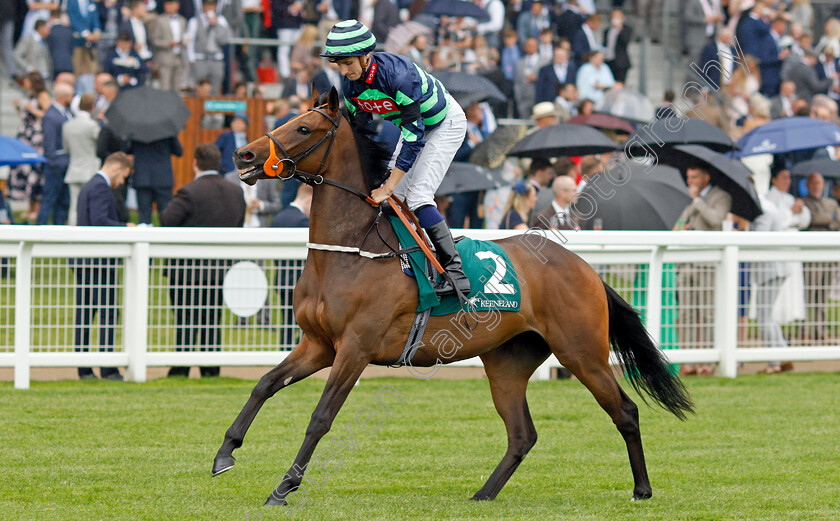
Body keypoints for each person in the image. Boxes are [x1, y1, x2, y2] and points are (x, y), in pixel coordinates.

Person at [321, 19, 471, 297]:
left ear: (366, 56)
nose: (343, 71)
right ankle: (410, 259)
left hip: (444, 124)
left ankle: (454, 271)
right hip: (413, 127)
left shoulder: (400, 75)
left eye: (347, 63)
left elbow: (415, 138)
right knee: (393, 202)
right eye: (338, 64)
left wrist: (389, 184)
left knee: (417, 197)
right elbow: (360, 131)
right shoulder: (351, 86)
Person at [160, 144, 246, 378]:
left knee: (185, 319)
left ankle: (181, 367)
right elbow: (239, 224)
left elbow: (167, 220)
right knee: (212, 318)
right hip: (220, 270)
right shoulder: (235, 192)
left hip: (187, 272)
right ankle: (211, 368)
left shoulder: (189, 191)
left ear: (195, 163)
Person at [74, 152, 135, 380]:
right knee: (107, 313)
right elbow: (100, 222)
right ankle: (108, 368)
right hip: (98, 263)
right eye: (123, 177)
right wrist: (126, 227)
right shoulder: (100, 187)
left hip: (87, 262)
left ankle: (85, 368)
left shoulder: (91, 185)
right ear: (117, 168)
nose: (121, 183)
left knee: (86, 314)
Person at [675, 165, 732, 375]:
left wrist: (698, 201)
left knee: (708, 312)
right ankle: (689, 361)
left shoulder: (721, 196)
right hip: (686, 263)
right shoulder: (689, 198)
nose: (691, 181)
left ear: (706, 177)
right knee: (687, 312)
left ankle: (707, 360)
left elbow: (716, 219)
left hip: (707, 263)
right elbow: (678, 223)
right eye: (689, 177)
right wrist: (682, 227)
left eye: (695, 177)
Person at [271, 183, 312, 346]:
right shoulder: (302, 221)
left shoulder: (279, 217)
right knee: (302, 324)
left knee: (286, 323)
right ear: (310, 199)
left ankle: (284, 351)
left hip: (280, 278)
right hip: (298, 281)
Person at [801, 172, 840, 342]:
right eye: (814, 183)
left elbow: (836, 220)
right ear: (808, 185)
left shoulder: (831, 202)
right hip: (811, 254)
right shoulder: (803, 202)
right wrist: (829, 219)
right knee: (810, 294)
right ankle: (807, 331)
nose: (817, 186)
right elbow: (811, 219)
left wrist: (826, 220)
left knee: (823, 294)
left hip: (829, 254)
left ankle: (821, 330)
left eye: (819, 183)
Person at [37, 82, 75, 225]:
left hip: (66, 164)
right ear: (63, 97)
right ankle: (40, 229)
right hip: (56, 166)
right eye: (70, 95)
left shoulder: (67, 112)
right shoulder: (51, 115)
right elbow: (49, 144)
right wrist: (55, 163)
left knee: (63, 201)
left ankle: (59, 230)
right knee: (49, 199)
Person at [63, 92, 101, 226]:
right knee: (90, 204)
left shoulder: (68, 125)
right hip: (90, 170)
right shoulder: (92, 126)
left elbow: (66, 149)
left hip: (73, 170)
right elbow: (99, 147)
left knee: (74, 206)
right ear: (93, 106)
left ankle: (73, 232)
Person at [126, 135, 183, 224]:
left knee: (144, 218)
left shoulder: (136, 130)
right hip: (163, 178)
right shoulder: (167, 131)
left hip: (142, 177)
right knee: (167, 216)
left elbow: (126, 150)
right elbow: (179, 151)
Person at [186, 0, 231, 95]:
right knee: (199, 88)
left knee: (215, 88)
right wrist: (191, 58)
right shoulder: (195, 21)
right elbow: (190, 41)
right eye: (208, 6)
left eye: (212, 6)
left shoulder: (221, 20)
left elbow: (225, 39)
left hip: (216, 59)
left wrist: (216, 25)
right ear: (203, 7)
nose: (210, 8)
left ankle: (214, 109)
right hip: (200, 58)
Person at [150, 0, 187, 92]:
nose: (168, 6)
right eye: (167, 4)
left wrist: (183, 42)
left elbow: (185, 36)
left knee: (177, 88)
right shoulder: (159, 20)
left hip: (179, 57)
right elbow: (154, 40)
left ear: (177, 6)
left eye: (171, 4)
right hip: (165, 58)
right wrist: (168, 43)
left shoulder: (182, 20)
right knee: (165, 87)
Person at [603, 9, 632, 84]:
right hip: (608, 60)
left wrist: (619, 28)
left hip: (620, 62)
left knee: (619, 83)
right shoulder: (607, 31)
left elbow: (625, 41)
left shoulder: (626, 29)